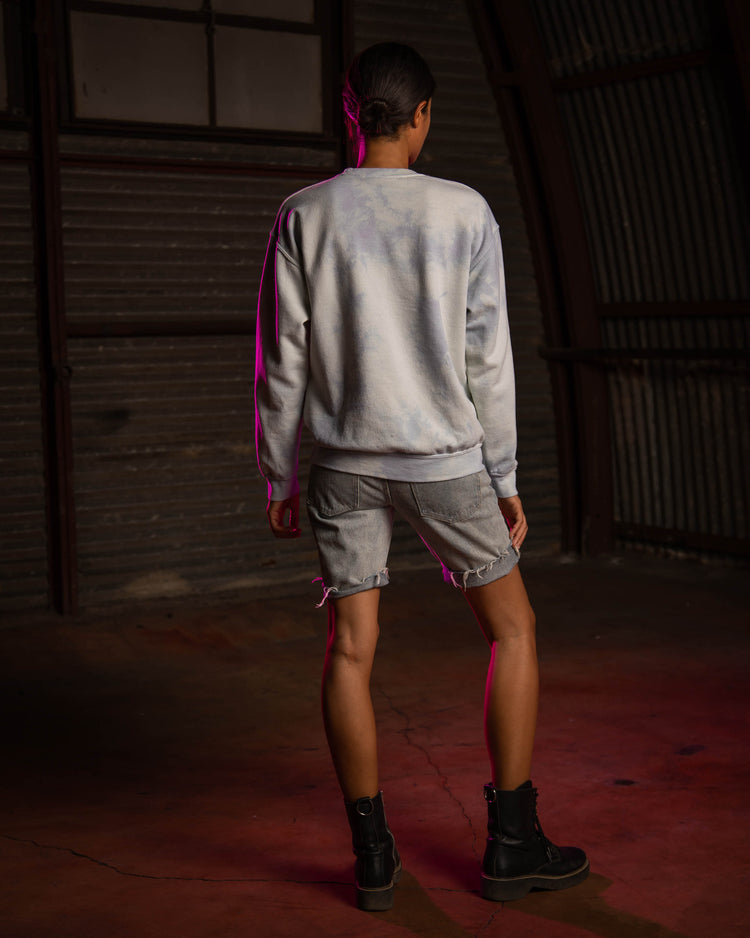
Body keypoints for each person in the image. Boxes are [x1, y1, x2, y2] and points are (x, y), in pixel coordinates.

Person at [254, 42, 588, 911]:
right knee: (512, 631)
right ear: (425, 115)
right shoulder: (464, 211)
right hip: (445, 463)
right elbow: (490, 360)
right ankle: (512, 844)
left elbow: (282, 361)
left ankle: (373, 859)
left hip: (340, 466)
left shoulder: (303, 214)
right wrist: (503, 474)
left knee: (350, 650)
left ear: (351, 113)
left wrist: (279, 476)